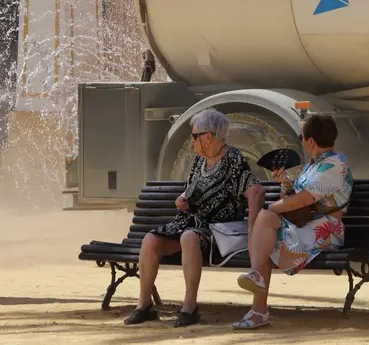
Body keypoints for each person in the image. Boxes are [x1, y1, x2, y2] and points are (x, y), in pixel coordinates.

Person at [125, 108, 265, 328]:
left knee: (189, 237)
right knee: (150, 240)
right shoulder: (200, 161)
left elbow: (255, 191)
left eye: (194, 137)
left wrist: (253, 232)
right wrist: (183, 199)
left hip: (216, 229)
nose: (192, 142)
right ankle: (144, 306)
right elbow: (190, 190)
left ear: (207, 137)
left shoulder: (233, 159)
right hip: (190, 221)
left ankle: (189, 307)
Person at [232, 113, 354, 330]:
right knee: (265, 230)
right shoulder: (315, 165)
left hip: (326, 230)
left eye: (302, 136)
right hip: (303, 226)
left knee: (265, 227)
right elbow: (293, 199)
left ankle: (258, 308)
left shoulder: (334, 166)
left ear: (311, 142)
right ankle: (257, 296)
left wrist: (271, 209)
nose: (301, 141)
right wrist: (287, 184)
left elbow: (301, 201)